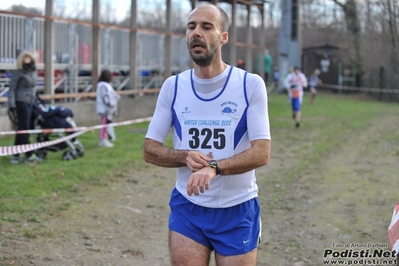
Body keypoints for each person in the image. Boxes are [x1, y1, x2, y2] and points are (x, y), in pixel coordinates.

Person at [143, 4, 271, 266]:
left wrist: (214, 167)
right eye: (191, 27)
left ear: (223, 37)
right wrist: (185, 156)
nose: (196, 33)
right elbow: (150, 149)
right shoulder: (173, 86)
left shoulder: (250, 84)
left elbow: (262, 152)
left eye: (206, 26)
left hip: (237, 209)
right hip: (188, 208)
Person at [7, 50, 43, 164]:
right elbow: (12, 89)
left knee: (22, 129)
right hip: (20, 101)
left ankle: (15, 155)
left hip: (31, 102)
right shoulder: (18, 72)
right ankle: (29, 154)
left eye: (28, 58)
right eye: (24, 58)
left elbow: (33, 88)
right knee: (24, 129)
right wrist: (12, 105)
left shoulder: (33, 71)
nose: (26, 60)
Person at [96, 69, 120, 147]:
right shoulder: (103, 85)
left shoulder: (106, 85)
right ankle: (103, 140)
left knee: (106, 124)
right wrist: (109, 103)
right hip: (105, 109)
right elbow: (104, 97)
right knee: (104, 124)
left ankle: (105, 138)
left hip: (108, 109)